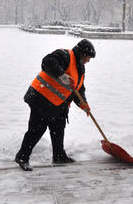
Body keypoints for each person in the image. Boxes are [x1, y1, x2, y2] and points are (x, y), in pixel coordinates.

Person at [15, 39, 95, 171]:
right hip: (41, 98)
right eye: (87, 57)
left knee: (58, 128)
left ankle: (59, 155)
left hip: (57, 103)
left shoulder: (80, 69)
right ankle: (22, 157)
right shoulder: (65, 55)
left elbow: (78, 90)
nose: (88, 61)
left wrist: (83, 104)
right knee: (37, 129)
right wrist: (62, 75)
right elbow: (47, 62)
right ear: (82, 53)